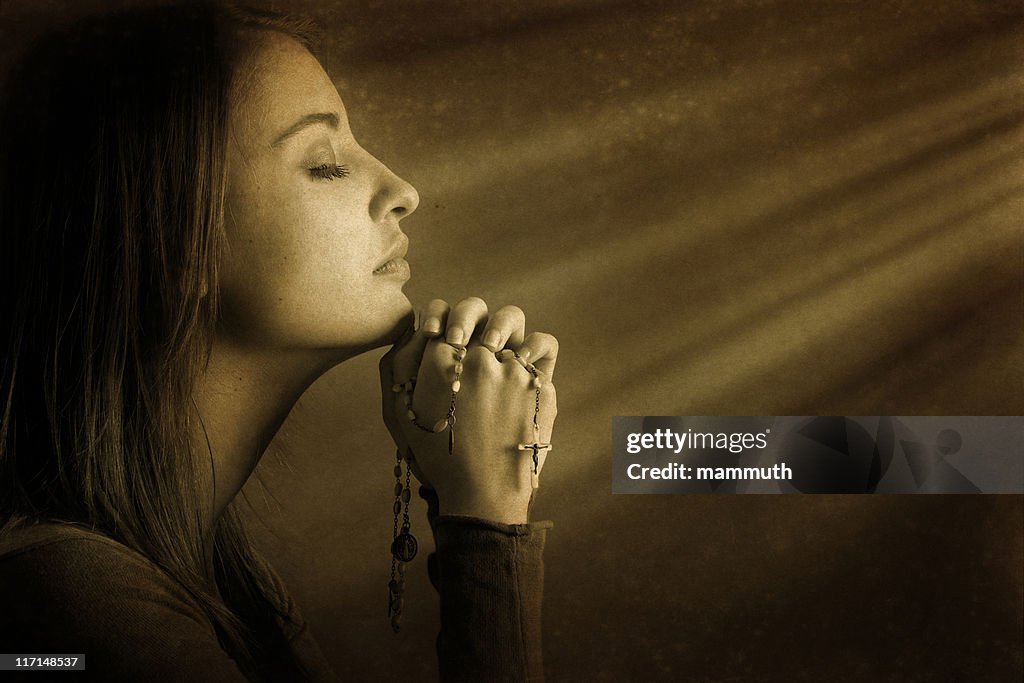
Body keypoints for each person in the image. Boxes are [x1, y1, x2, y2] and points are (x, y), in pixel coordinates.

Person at [0, 3, 559, 681]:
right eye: (325, 163)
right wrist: (486, 528)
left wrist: (473, 485)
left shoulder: (228, 581)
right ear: (173, 241)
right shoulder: (69, 601)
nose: (403, 190)